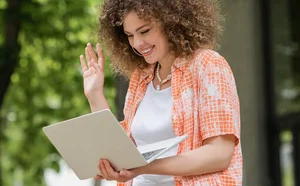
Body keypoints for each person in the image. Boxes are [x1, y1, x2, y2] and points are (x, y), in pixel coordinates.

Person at [78, 0, 242, 185]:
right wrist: (95, 95)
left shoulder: (207, 65)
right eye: (129, 35)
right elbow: (124, 151)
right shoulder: (141, 78)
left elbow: (219, 154)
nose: (137, 43)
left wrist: (145, 166)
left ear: (171, 22)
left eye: (145, 31)